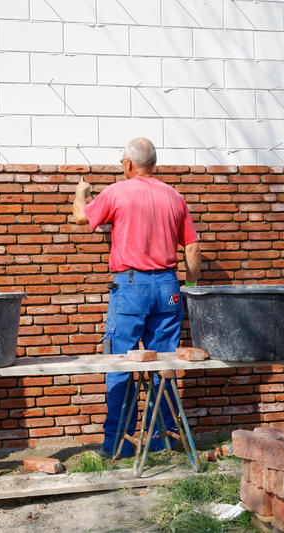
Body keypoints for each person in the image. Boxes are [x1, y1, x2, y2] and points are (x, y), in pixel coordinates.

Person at [72, 137, 202, 457]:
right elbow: (193, 247)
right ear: (153, 164)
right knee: (164, 364)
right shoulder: (174, 196)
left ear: (129, 164)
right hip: (168, 287)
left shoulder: (117, 191)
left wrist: (81, 193)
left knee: (121, 363)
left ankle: (118, 445)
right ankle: (165, 440)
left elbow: (80, 218)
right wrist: (189, 287)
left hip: (131, 286)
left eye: (121, 162)